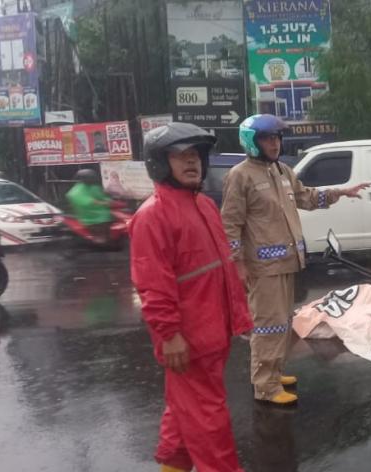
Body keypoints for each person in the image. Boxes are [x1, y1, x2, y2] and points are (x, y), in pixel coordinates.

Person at [221, 114, 370, 406]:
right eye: (267, 138)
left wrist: (340, 192)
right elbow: (230, 222)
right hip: (262, 267)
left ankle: (273, 373)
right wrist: (237, 262)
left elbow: (307, 197)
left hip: (287, 261)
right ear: (252, 141)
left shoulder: (282, 171)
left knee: (283, 323)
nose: (274, 144)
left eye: (277, 138)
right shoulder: (240, 175)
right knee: (268, 324)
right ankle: (265, 386)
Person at [129, 122, 253, 472]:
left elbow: (222, 268)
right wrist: (170, 336)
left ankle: (173, 466)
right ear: (159, 163)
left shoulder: (204, 206)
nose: (191, 162)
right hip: (189, 340)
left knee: (185, 407)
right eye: (180, 156)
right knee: (208, 419)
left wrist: (239, 314)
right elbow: (152, 285)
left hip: (213, 332)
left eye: (195, 155)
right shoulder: (152, 216)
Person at [65, 168, 113, 243]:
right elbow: (88, 201)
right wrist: (102, 203)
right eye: (91, 178)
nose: (93, 179)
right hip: (91, 217)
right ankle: (99, 237)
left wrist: (109, 200)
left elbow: (102, 195)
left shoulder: (93, 186)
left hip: (102, 211)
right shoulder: (77, 191)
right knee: (102, 224)